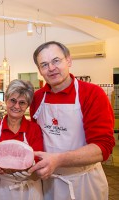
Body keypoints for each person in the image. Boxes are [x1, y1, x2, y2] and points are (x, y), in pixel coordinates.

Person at [28, 41, 115, 200]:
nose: (51, 68)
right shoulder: (37, 98)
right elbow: (35, 137)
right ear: (39, 70)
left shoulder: (92, 94)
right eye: (44, 64)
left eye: (56, 61)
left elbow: (103, 147)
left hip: (84, 182)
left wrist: (59, 159)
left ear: (69, 60)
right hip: (49, 182)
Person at [0, 79, 44, 200]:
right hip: (2, 189)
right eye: (13, 100)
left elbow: (38, 167)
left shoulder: (34, 129)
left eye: (22, 102)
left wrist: (31, 172)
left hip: (29, 190)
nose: (16, 106)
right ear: (6, 100)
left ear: (27, 105)